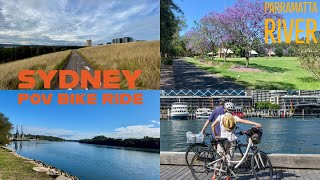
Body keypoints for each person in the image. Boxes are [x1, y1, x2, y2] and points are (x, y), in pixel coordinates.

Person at [211, 102, 261, 180]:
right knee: (229, 159)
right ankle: (228, 176)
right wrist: (256, 123)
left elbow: (212, 125)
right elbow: (244, 121)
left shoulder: (220, 117)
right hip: (231, 140)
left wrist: (216, 135)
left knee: (219, 158)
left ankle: (214, 175)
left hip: (222, 140)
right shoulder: (234, 118)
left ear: (225, 109)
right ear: (232, 110)